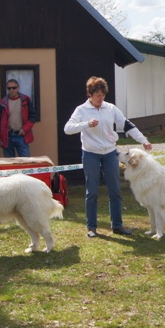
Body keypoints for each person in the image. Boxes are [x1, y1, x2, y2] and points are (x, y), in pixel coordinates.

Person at [64, 76, 152, 238]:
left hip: (110, 153)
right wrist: (86, 124)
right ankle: (91, 227)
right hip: (90, 154)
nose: (101, 98)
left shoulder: (110, 108)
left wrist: (143, 141)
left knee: (115, 190)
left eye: (103, 95)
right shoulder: (81, 110)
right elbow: (67, 129)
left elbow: (127, 125)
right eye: (98, 95)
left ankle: (117, 225)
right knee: (92, 191)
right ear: (90, 94)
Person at [0, 79, 36, 157]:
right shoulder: (2, 103)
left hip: (21, 135)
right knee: (10, 164)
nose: (11, 90)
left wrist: (25, 129)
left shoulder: (26, 100)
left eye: (14, 87)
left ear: (18, 88)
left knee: (26, 162)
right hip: (7, 136)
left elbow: (33, 117)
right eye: (9, 88)